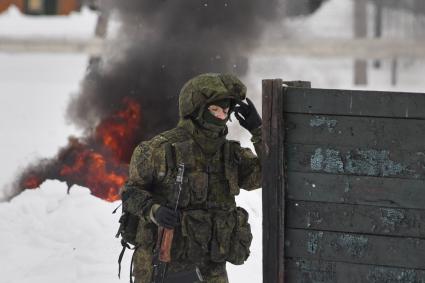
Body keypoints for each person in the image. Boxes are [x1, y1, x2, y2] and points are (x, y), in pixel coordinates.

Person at [121, 73, 262, 283]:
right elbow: (129, 193)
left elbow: (267, 175)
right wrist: (153, 211)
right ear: (196, 110)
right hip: (164, 262)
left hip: (211, 266)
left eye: (226, 110)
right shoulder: (158, 149)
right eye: (215, 110)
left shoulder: (230, 154)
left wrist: (259, 131)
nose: (222, 117)